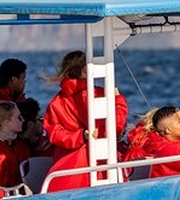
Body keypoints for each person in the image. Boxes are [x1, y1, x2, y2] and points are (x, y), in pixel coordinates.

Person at [42, 50, 128, 191]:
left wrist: (80, 135)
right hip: (100, 168)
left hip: (66, 173)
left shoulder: (55, 103)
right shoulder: (101, 95)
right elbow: (116, 126)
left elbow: (55, 134)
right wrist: (119, 101)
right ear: (85, 69)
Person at [13, 98, 53, 163]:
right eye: (40, 118)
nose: (44, 121)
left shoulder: (50, 143)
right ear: (30, 124)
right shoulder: (19, 152)